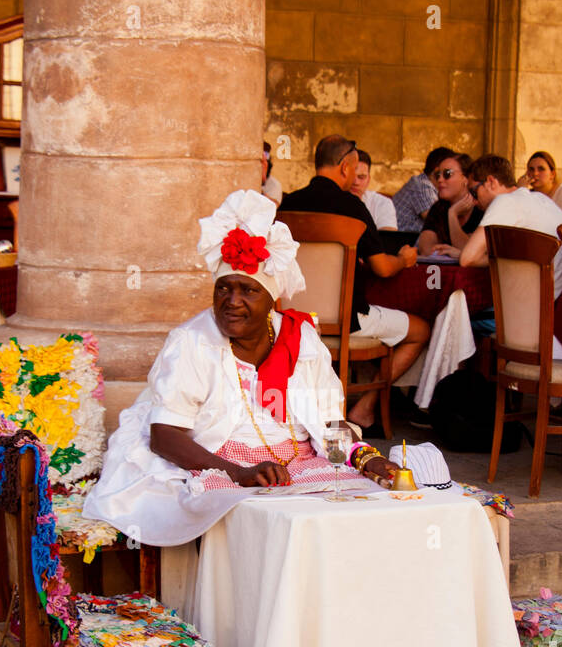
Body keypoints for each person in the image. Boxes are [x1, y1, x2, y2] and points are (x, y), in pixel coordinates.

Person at [83, 190, 399, 546]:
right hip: (219, 463)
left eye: (248, 291)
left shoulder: (300, 339)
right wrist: (239, 474)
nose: (232, 302)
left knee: (358, 515)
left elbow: (329, 423)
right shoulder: (192, 341)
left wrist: (364, 457)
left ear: (271, 301)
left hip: (298, 462)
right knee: (266, 529)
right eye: (223, 289)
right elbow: (164, 435)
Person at [279, 134, 429, 430]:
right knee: (421, 330)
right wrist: (405, 259)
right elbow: (383, 269)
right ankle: (364, 408)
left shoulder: (286, 205)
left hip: (292, 319)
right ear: (346, 167)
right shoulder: (352, 207)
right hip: (348, 321)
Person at [456, 154, 562, 292]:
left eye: (474, 192)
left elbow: (467, 259)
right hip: (560, 300)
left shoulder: (505, 201)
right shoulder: (540, 198)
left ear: (491, 182)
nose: (474, 201)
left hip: (533, 304)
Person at [417, 152, 483, 255]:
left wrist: (452, 215)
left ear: (465, 178)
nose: (440, 179)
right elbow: (426, 248)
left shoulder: (480, 207)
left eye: (447, 174)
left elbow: (469, 252)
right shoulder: (439, 208)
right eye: (437, 175)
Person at [390, 145, 454, 232]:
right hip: (404, 242)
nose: (451, 177)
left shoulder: (428, 186)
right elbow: (438, 223)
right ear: (437, 171)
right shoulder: (422, 186)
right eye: (449, 172)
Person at [525, 151, 562, 220]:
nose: (535, 173)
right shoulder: (528, 195)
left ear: (552, 174)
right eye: (531, 169)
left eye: (541, 169)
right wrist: (521, 191)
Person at [350, 149, 396, 230]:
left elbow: (387, 238)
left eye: (361, 177)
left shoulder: (382, 203)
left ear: (368, 180)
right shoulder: (331, 201)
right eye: (352, 176)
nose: (356, 182)